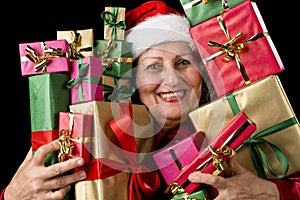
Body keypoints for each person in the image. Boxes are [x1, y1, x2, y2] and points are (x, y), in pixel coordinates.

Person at [2, 1, 300, 200]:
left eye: (184, 63)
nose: (171, 80)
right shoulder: (83, 145)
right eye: (154, 66)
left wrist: (273, 192)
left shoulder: (248, 133)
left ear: (204, 73)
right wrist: (12, 196)